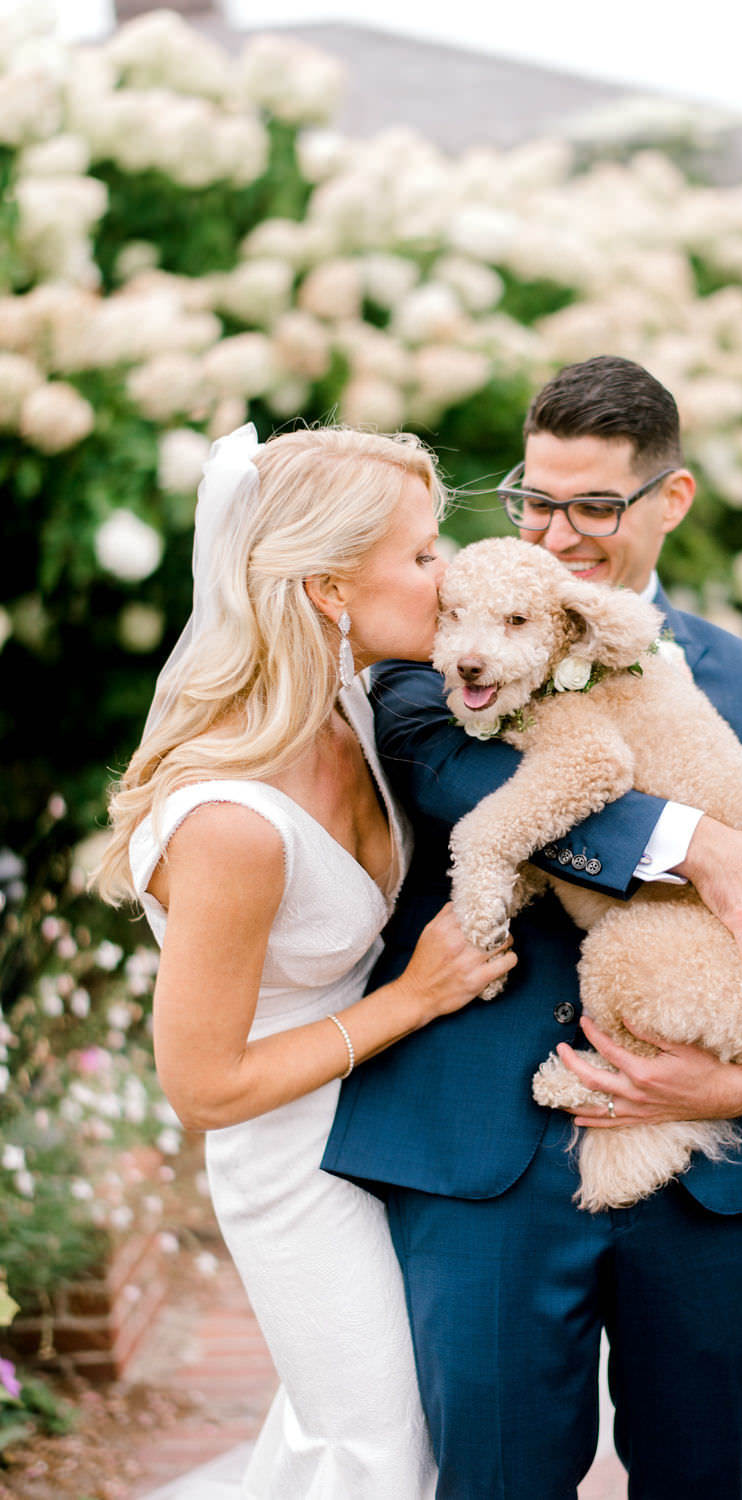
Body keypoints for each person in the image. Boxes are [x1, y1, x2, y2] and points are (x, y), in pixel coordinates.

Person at [323, 356, 742, 1499]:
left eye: (594, 505)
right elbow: (452, 778)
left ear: (668, 501)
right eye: (536, 498)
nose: (558, 532)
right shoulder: (448, 626)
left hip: (699, 1167)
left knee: (706, 1478)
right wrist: (695, 844)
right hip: (480, 1162)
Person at [96, 422, 516, 1500]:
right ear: (331, 589)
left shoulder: (358, 714)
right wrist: (418, 999)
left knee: (384, 1422)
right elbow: (203, 1089)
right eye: (422, 554)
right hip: (290, 1161)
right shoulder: (232, 822)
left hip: (387, 1126)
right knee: (376, 1443)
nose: (448, 574)